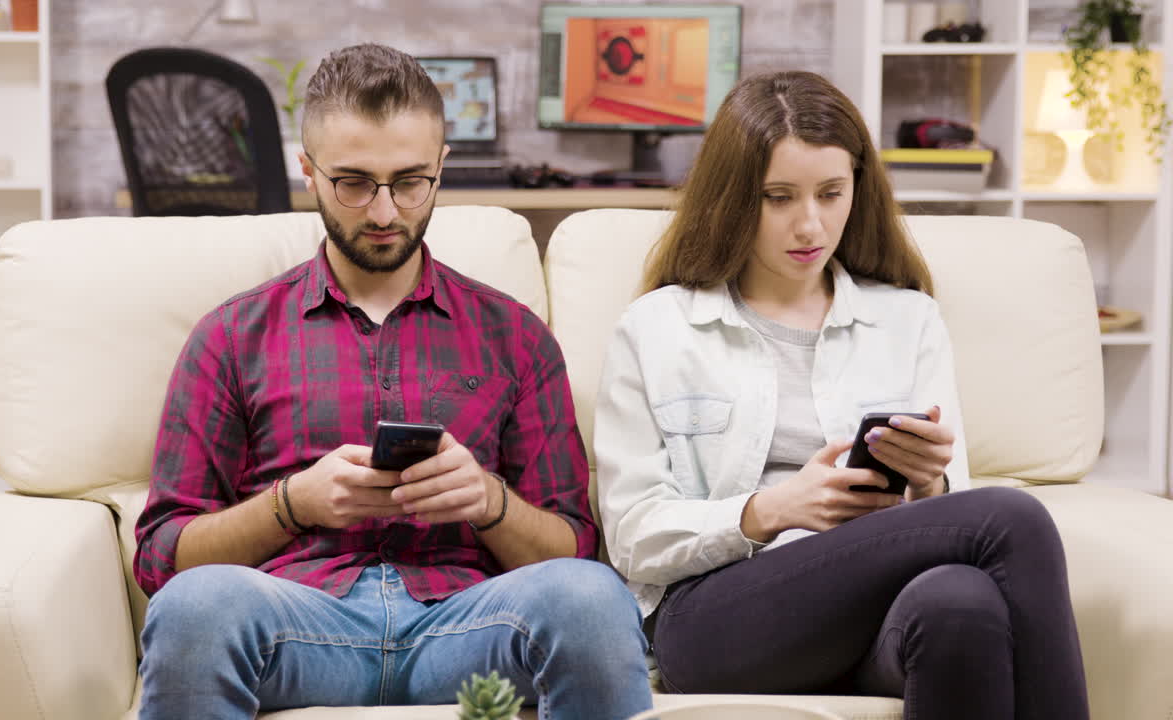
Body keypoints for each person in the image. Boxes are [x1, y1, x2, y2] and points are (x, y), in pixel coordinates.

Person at [133, 43, 652, 720]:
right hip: (297, 628)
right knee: (193, 608)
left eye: (410, 182)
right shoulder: (233, 335)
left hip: (468, 629)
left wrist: (488, 501)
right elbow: (161, 558)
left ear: (441, 169)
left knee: (590, 598)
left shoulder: (514, 334)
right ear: (309, 174)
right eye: (353, 183)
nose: (383, 213)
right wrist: (293, 504)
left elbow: (574, 547)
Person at [594, 70, 1089, 720]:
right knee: (1012, 520)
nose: (810, 224)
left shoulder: (908, 320)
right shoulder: (658, 327)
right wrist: (769, 510)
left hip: (871, 609)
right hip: (715, 619)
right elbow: (631, 537)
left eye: (832, 193)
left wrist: (926, 488)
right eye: (779, 198)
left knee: (960, 604)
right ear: (734, 198)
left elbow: (952, 510)